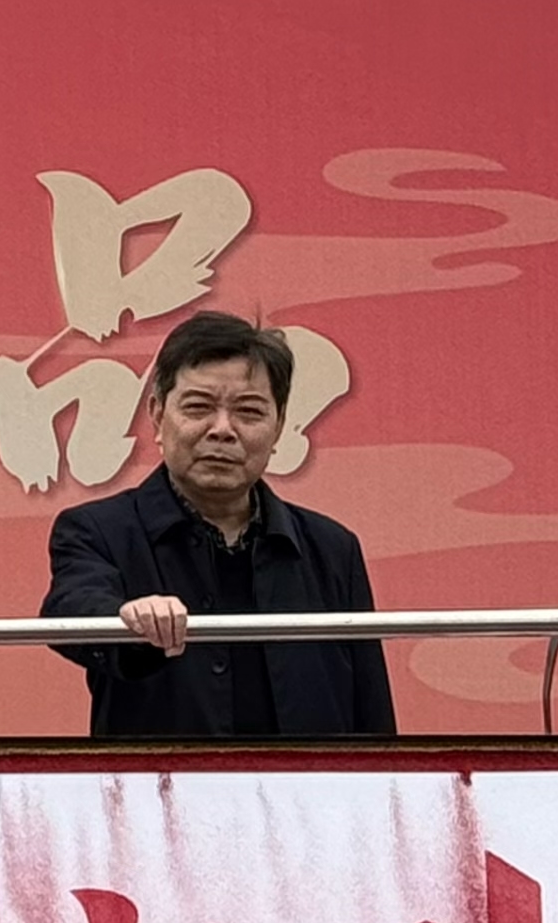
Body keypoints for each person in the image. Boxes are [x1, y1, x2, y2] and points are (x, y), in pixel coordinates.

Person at [44, 310, 391, 738]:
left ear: (279, 427)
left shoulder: (332, 548)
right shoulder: (98, 531)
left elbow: (372, 712)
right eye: (199, 408)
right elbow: (71, 609)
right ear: (157, 414)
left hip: (307, 783)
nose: (222, 430)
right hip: (162, 781)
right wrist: (126, 619)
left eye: (248, 411)